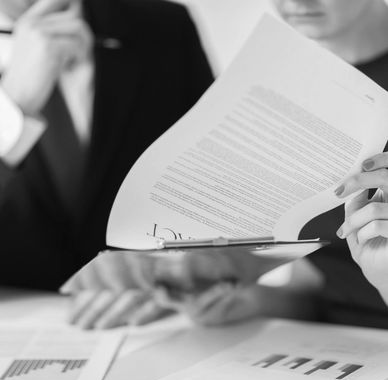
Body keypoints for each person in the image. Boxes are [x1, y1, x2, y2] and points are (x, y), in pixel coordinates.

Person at [155, 0, 388, 328]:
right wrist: (248, 301)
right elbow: (321, 285)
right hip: (336, 349)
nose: (296, 2)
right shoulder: (294, 90)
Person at [0, 0, 213, 328]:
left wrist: (176, 275)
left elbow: (212, 179)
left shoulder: (165, 26)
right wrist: (15, 107)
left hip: (152, 321)